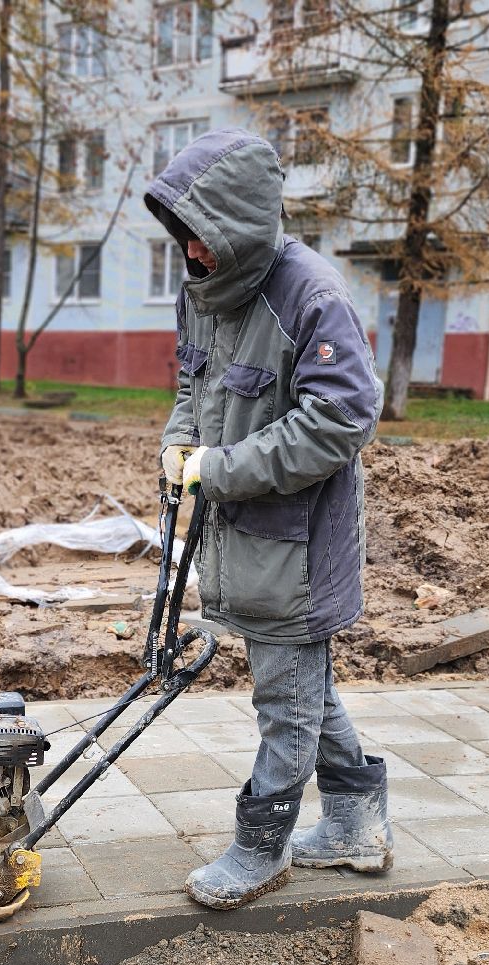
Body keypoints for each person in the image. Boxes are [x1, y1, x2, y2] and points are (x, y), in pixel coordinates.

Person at [146, 128, 389, 910]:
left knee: (284, 698)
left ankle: (261, 847)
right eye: (183, 235)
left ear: (241, 226)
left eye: (204, 236)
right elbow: (193, 388)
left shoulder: (310, 295)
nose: (192, 250)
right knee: (306, 689)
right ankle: (354, 825)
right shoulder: (203, 290)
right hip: (239, 536)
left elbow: (342, 418)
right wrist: (179, 443)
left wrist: (221, 469)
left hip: (299, 548)